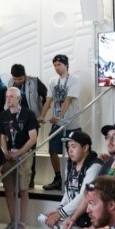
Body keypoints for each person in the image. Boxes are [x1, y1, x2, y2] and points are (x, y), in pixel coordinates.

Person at [0, 85, 39, 229]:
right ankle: (12, 221)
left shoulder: (28, 114)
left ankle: (21, 222)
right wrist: (5, 152)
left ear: (19, 98)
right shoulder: (3, 115)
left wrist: (20, 152)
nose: (8, 99)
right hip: (9, 155)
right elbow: (1, 137)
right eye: (7, 97)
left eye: (11, 97)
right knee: (9, 190)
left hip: (24, 155)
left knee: (23, 189)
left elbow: (33, 138)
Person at [39, 54, 82, 190]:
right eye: (55, 65)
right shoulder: (53, 81)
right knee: (53, 149)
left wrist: (60, 116)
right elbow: (49, 100)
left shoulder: (74, 79)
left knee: (73, 152)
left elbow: (68, 99)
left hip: (71, 123)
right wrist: (42, 116)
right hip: (58, 124)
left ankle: (72, 178)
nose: (57, 68)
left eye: (59, 65)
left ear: (66, 65)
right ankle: (58, 178)